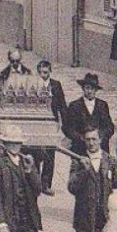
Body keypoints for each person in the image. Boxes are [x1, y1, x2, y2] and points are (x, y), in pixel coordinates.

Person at [67, 126, 117, 232]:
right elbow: (72, 187)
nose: (91, 143)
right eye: (88, 139)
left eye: (94, 139)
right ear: (83, 140)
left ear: (101, 140)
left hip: (104, 215)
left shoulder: (110, 160)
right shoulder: (77, 160)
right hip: (85, 216)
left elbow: (116, 187)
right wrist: (85, 170)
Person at [29, 59, 68, 196]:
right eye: (40, 72)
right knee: (36, 151)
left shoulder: (56, 86)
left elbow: (62, 106)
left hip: (52, 123)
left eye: (45, 72)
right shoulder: (32, 85)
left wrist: (64, 125)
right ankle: (36, 182)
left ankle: (46, 184)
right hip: (37, 123)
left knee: (50, 154)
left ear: (50, 72)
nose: (42, 75)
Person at [64, 74, 115, 155]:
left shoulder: (102, 105)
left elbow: (109, 127)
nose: (90, 91)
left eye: (92, 88)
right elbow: (68, 128)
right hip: (80, 148)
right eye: (87, 88)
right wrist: (82, 138)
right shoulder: (74, 106)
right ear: (83, 88)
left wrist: (100, 137)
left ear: (96, 90)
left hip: (100, 148)